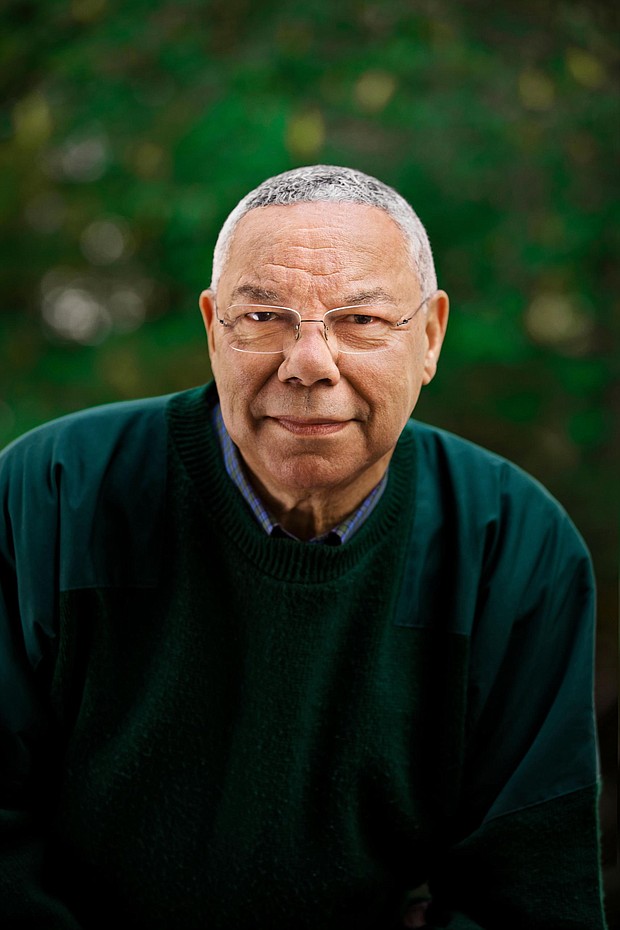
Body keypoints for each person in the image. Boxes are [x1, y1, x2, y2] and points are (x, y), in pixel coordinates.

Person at [0, 165, 608, 930]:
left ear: (429, 337)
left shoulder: (513, 548)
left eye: (360, 320)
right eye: (263, 318)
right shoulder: (50, 496)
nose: (310, 363)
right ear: (212, 328)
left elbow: (531, 896)